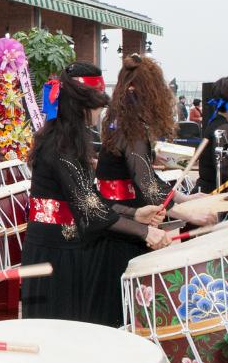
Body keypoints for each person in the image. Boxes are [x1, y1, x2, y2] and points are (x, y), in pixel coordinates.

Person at [22, 62, 169, 327]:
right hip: (54, 252)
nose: (100, 111)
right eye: (97, 105)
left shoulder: (70, 140)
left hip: (71, 247)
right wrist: (145, 232)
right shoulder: (60, 145)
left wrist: (135, 213)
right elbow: (89, 207)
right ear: (81, 106)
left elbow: (89, 197)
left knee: (78, 329)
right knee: (57, 332)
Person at [98, 55, 216, 309]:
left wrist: (186, 199)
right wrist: (187, 213)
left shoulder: (118, 118)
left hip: (123, 212)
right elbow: (146, 183)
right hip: (126, 219)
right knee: (126, 300)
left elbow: (146, 176)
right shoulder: (131, 128)